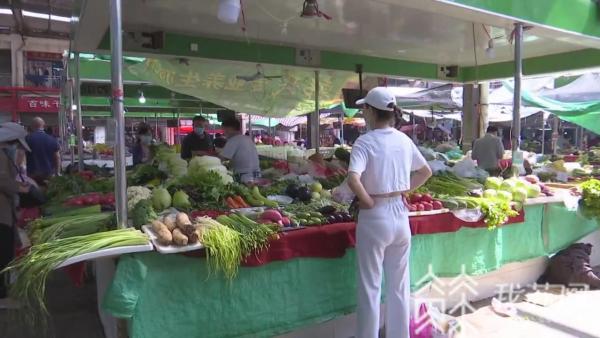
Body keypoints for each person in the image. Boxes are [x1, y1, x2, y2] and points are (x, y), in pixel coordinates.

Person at [348, 87, 432, 338]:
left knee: (370, 286)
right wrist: (403, 192)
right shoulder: (403, 139)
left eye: (364, 109)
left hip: (376, 217)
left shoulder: (365, 141)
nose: (363, 113)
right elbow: (425, 171)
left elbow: (353, 178)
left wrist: (368, 201)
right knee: (399, 285)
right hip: (399, 215)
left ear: (372, 112)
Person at [0, 122, 32, 308]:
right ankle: (2, 296)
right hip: (1, 212)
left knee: (5, 250)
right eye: (16, 145)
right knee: (3, 252)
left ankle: (3, 291)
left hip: (5, 210)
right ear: (9, 141)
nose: (17, 149)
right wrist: (21, 189)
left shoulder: (5, 154)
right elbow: (3, 180)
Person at [219, 117, 260, 183]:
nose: (223, 133)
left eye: (223, 130)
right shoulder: (247, 139)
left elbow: (222, 158)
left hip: (243, 176)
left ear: (229, 129)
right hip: (256, 174)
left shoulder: (233, 140)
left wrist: (205, 156)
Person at [25, 117, 60, 185]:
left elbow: (20, 155)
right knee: (48, 191)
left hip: (32, 173)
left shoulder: (27, 139)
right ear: (43, 126)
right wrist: (57, 172)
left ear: (32, 126)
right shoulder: (52, 139)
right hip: (48, 173)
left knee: (35, 193)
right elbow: (57, 157)